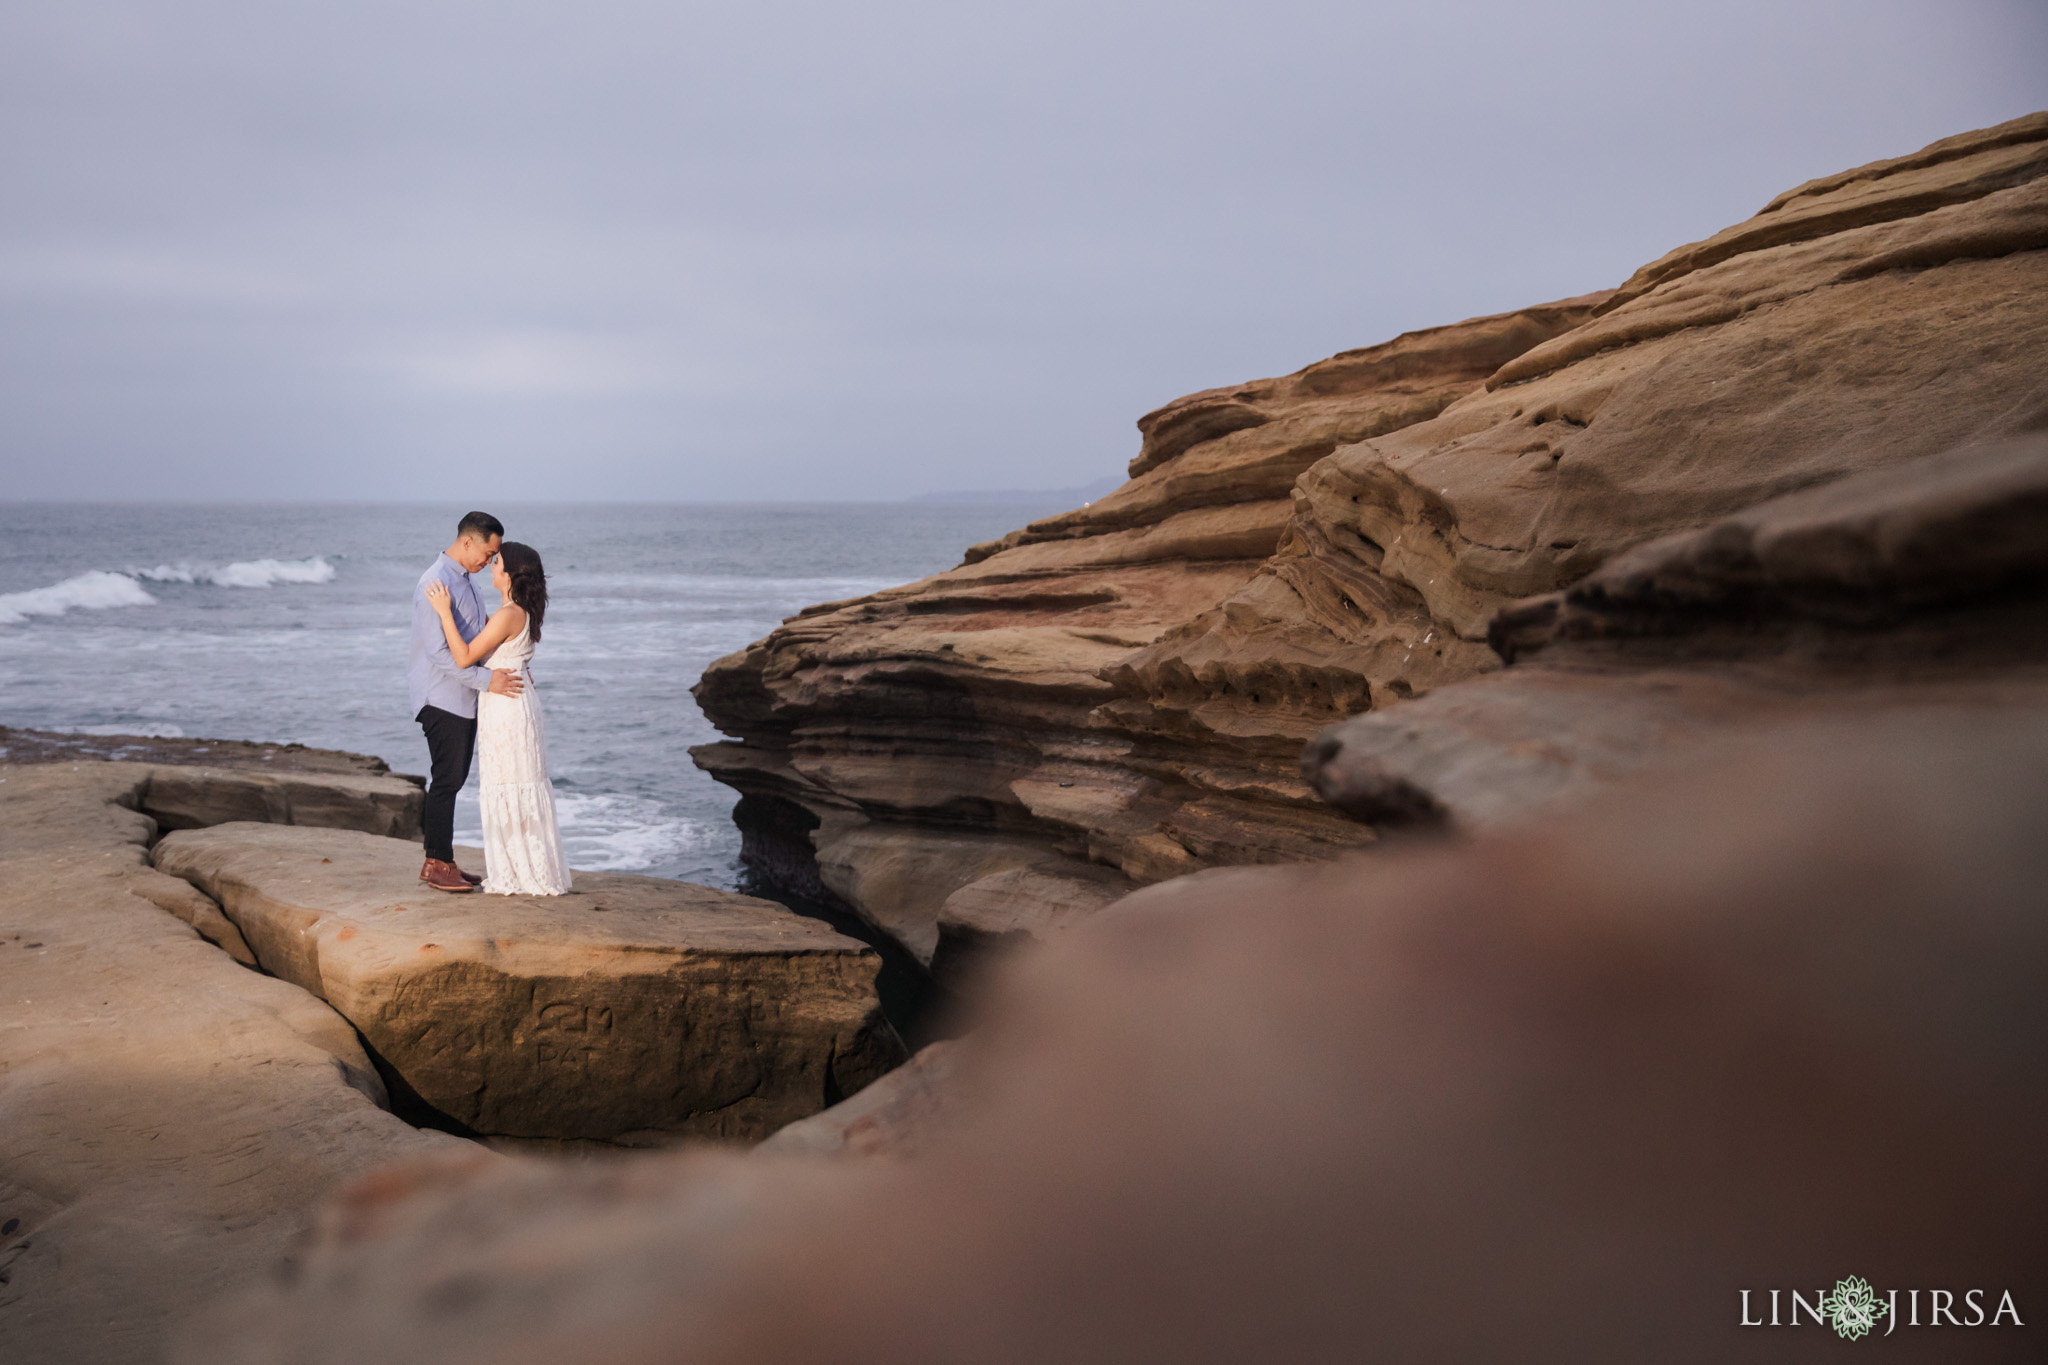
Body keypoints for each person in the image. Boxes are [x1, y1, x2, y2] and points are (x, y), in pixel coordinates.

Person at [424, 539, 571, 895]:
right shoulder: (518, 611)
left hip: (505, 706)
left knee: (508, 781)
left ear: (509, 573)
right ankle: (527, 867)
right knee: (519, 779)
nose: (491, 565)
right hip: (515, 701)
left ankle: (519, 872)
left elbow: (464, 657)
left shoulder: (508, 614)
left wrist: (444, 612)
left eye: (497, 562)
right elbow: (506, 651)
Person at [408, 511, 524, 893]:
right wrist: (487, 681)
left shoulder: (468, 582)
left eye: (494, 558)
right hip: (441, 697)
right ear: (468, 541)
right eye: (488, 554)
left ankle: (444, 860)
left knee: (452, 779)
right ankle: (435, 863)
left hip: (463, 696)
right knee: (446, 780)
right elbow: (440, 654)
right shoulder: (435, 583)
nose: (489, 562)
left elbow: (479, 637)